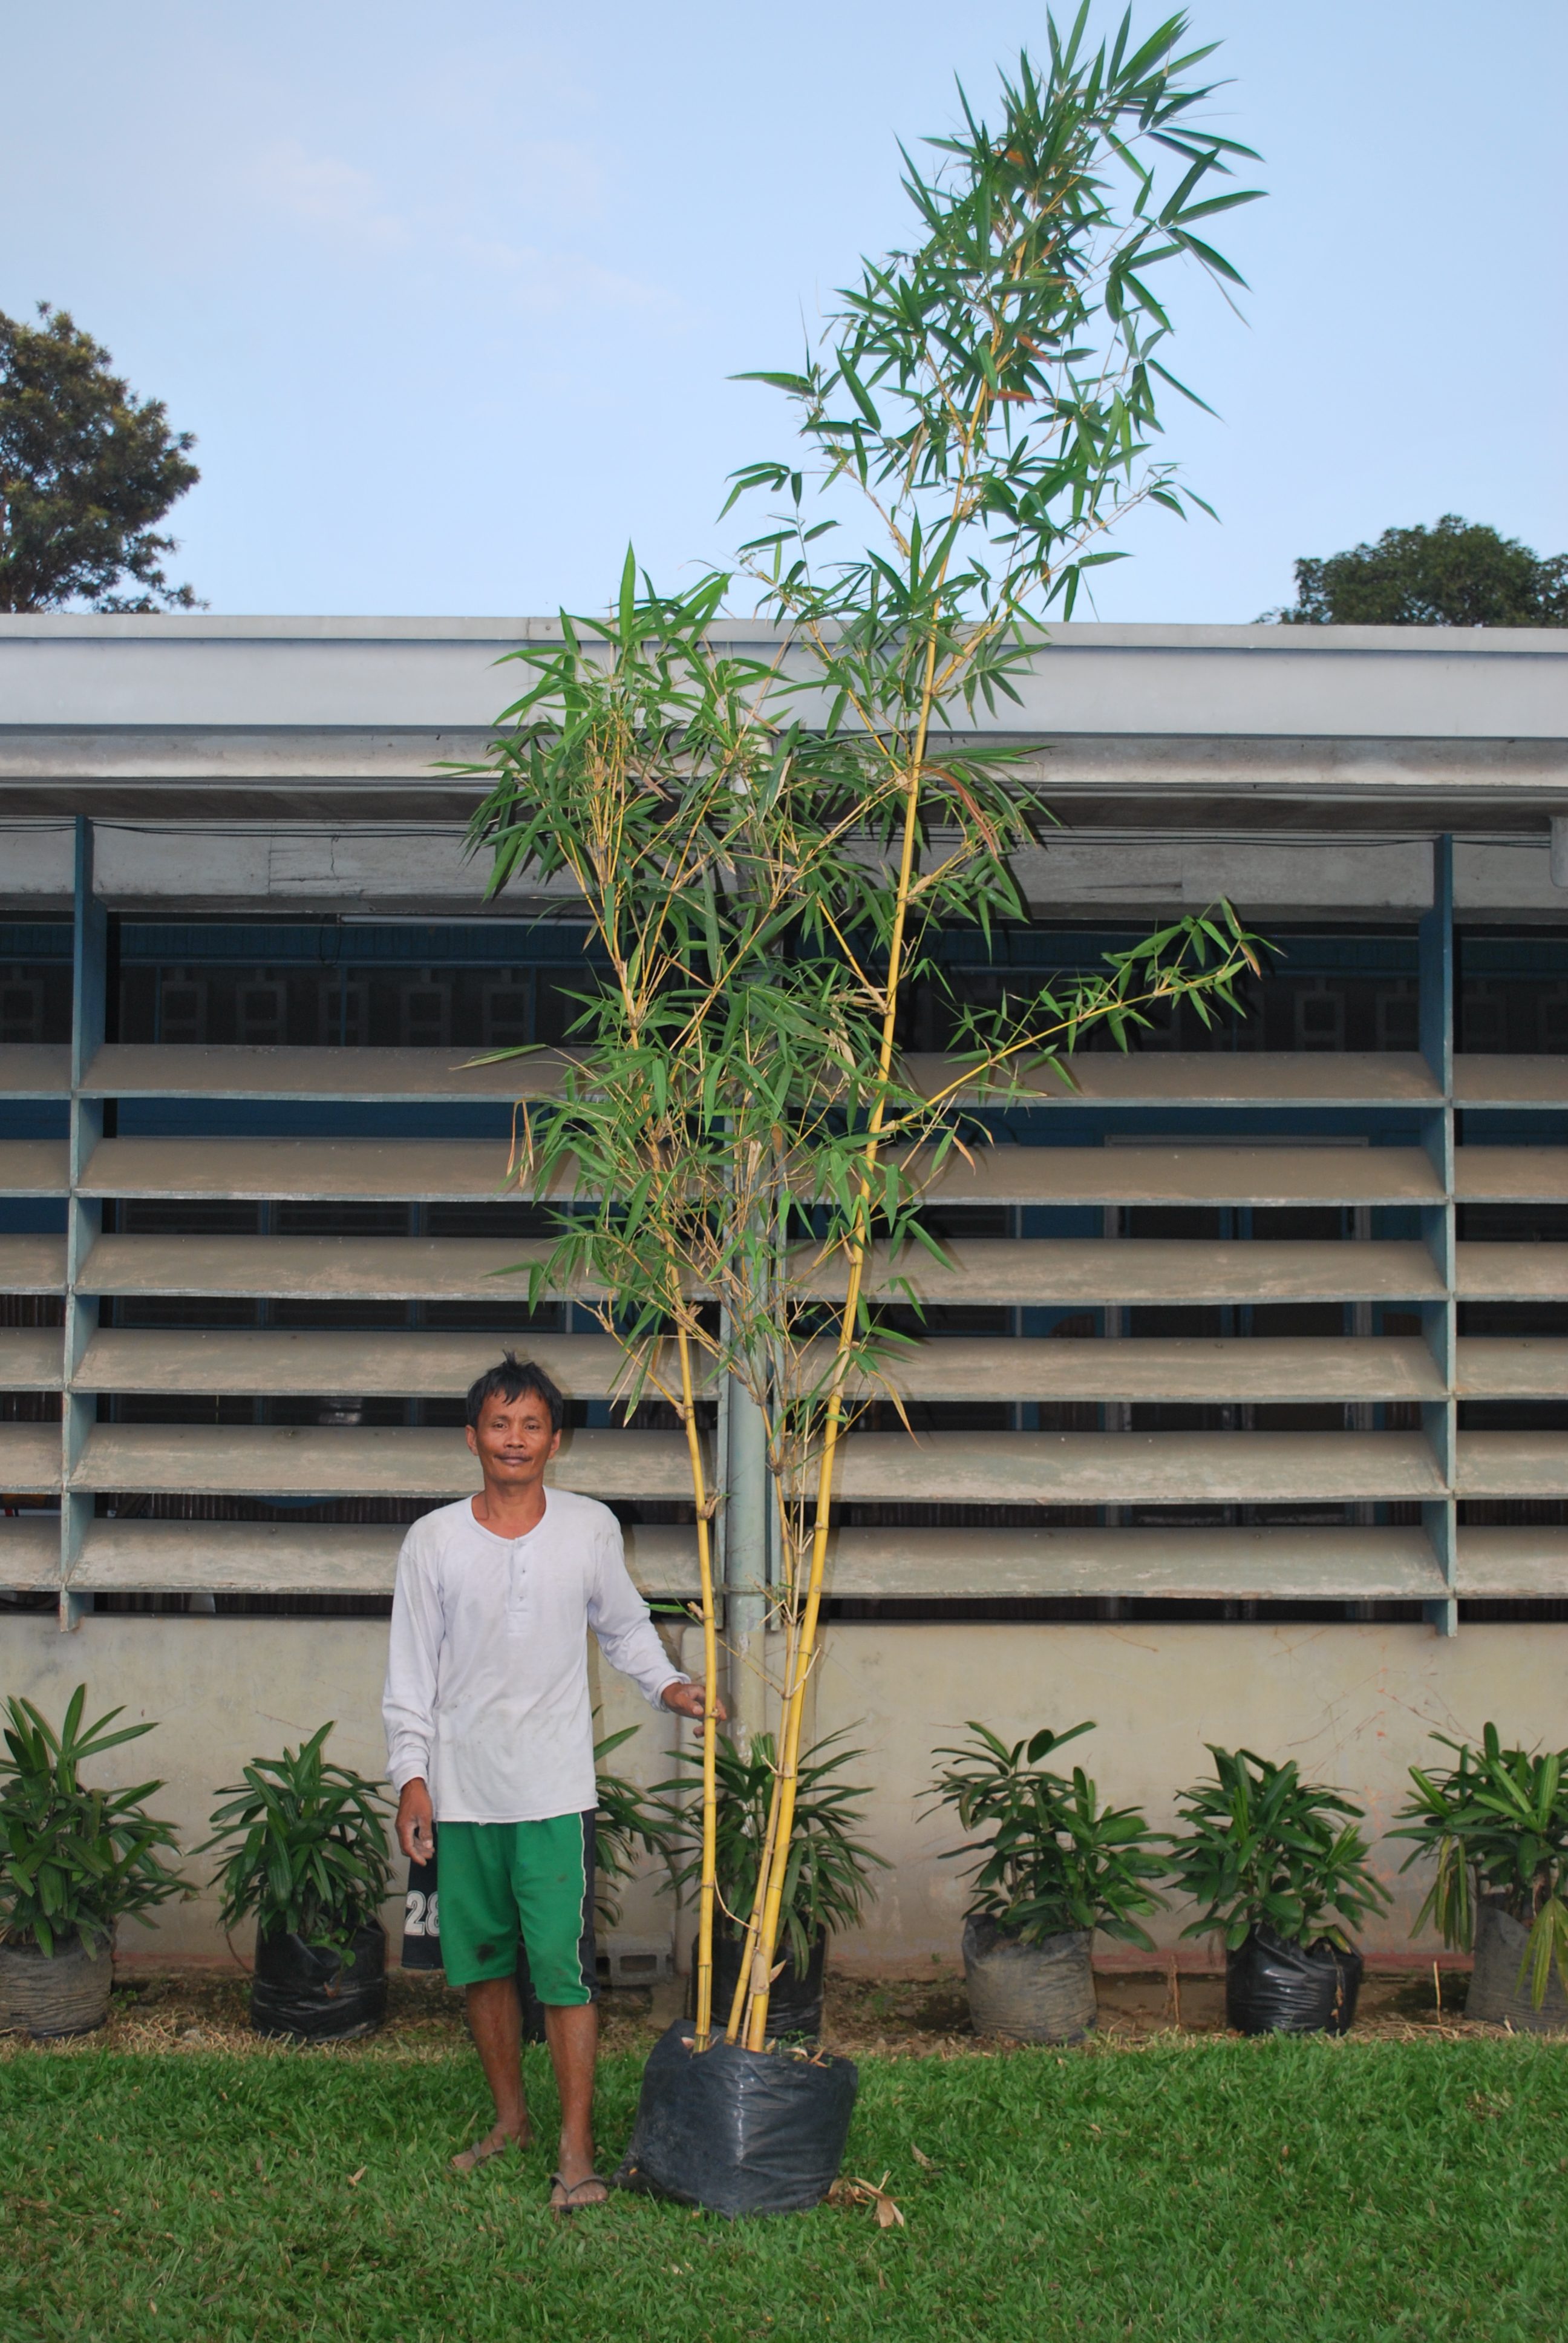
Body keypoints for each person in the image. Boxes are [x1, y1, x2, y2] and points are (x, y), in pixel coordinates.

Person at [383, 1353, 719, 2213]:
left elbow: (626, 1628)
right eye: (499, 1424)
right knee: (482, 1968)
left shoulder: (588, 1528)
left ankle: (577, 2147)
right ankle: (512, 2121)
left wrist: (670, 1687)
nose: (515, 1439)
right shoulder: (433, 1541)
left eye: (531, 1425)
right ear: (472, 1438)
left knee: (565, 1974)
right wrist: (412, 1776)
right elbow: (410, 1671)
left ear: (555, 1441)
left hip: (553, 1794)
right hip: (461, 1793)